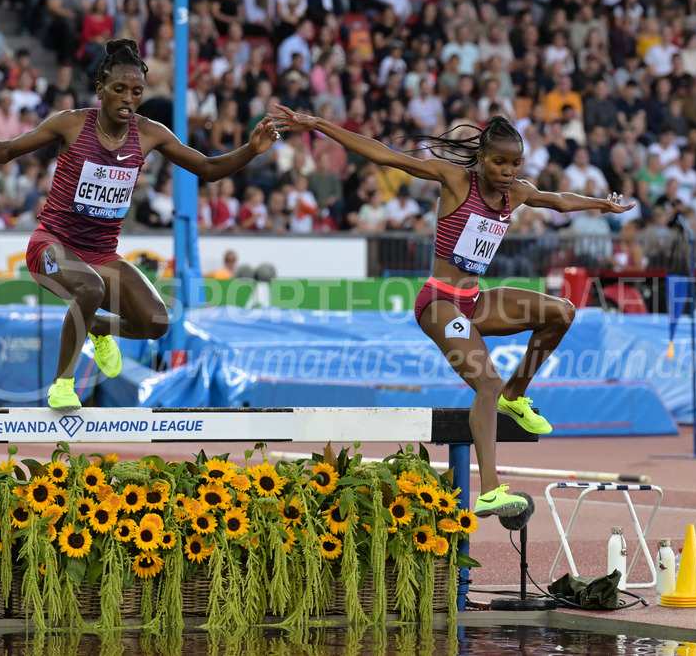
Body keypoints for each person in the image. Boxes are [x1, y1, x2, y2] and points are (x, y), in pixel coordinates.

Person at [267, 106, 634, 518]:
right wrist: (318, 124)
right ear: (481, 158)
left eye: (515, 164)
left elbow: (560, 202)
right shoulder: (457, 179)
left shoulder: (518, 192)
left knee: (562, 312)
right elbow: (387, 155)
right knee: (486, 384)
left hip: (474, 301)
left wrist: (603, 204)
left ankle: (517, 396)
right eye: (499, 162)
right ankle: (491, 490)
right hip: (439, 301)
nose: (508, 171)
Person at [0, 39, 280, 410]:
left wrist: (250, 149)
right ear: (100, 90)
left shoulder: (150, 134)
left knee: (156, 322)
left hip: (101, 253)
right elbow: (7, 150)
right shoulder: (70, 123)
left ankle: (97, 327)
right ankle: (62, 384)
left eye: (136, 92)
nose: (127, 99)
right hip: (51, 244)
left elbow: (209, 169)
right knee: (90, 287)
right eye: (118, 90)